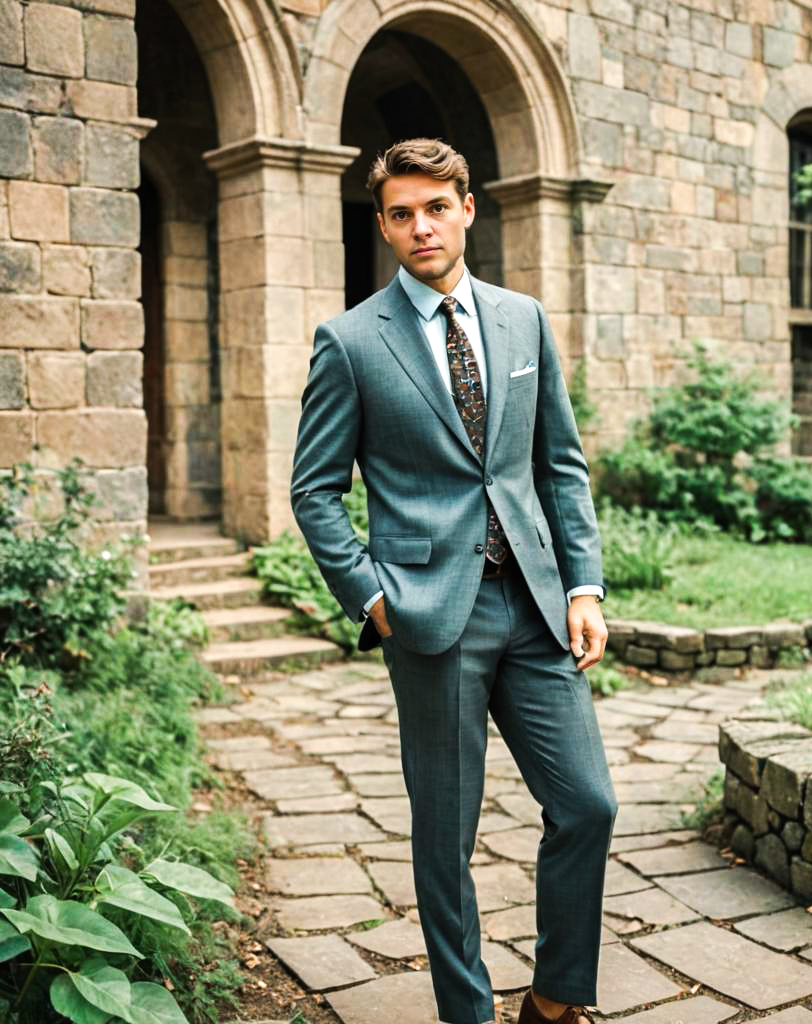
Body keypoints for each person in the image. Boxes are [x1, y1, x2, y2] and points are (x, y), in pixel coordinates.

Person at [290, 137, 617, 1024]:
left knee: (588, 804)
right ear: (385, 225)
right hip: (430, 619)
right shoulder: (353, 341)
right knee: (447, 839)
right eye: (401, 213)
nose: (420, 227)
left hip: (537, 607)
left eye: (437, 207)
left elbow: (560, 467)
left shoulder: (522, 320)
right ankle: (466, 1013)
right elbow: (314, 491)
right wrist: (371, 595)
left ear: (468, 208)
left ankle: (554, 999)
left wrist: (583, 584)